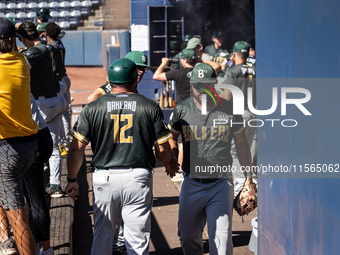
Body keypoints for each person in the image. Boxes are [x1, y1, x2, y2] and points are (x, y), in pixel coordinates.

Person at [66, 58, 178, 255]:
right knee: (137, 240)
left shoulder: (92, 108)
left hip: (104, 178)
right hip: (138, 178)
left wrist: (72, 179)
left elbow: (76, 149)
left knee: (102, 237)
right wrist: (169, 164)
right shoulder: (149, 106)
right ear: (135, 80)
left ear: (109, 81)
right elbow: (162, 150)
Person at [168, 62, 253, 255]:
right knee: (188, 238)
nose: (202, 89)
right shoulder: (182, 109)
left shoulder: (230, 109)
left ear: (214, 83)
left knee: (221, 242)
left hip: (220, 183)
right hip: (191, 182)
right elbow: (171, 139)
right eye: (198, 85)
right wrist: (171, 158)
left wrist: (248, 175)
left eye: (206, 84)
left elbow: (241, 143)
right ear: (191, 84)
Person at [0, 17, 39, 255]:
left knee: (19, 221)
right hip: (28, 144)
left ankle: (12, 242)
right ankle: (4, 240)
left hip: (7, 149)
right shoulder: (21, 60)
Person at [17, 21, 67, 197]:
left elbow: (18, 64)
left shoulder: (36, 50)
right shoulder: (48, 46)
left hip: (44, 103)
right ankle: (55, 186)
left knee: (29, 141)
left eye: (21, 40)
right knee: (53, 147)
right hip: (57, 99)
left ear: (25, 38)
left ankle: (28, 183)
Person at [220, 41, 256, 185]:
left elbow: (227, 97)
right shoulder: (254, 69)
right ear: (247, 54)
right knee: (250, 148)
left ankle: (241, 184)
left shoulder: (232, 71)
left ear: (234, 54)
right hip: (253, 112)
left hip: (238, 115)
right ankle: (251, 179)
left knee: (235, 150)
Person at [23, 95, 54, 255]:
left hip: (28, 140)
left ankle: (44, 249)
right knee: (32, 197)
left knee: (33, 200)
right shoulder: (18, 71)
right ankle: (42, 247)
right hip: (42, 134)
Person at [45, 22, 72, 152]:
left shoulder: (50, 47)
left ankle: (62, 143)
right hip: (65, 79)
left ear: (47, 33)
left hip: (58, 82)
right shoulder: (60, 44)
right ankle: (66, 140)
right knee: (65, 112)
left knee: (58, 114)